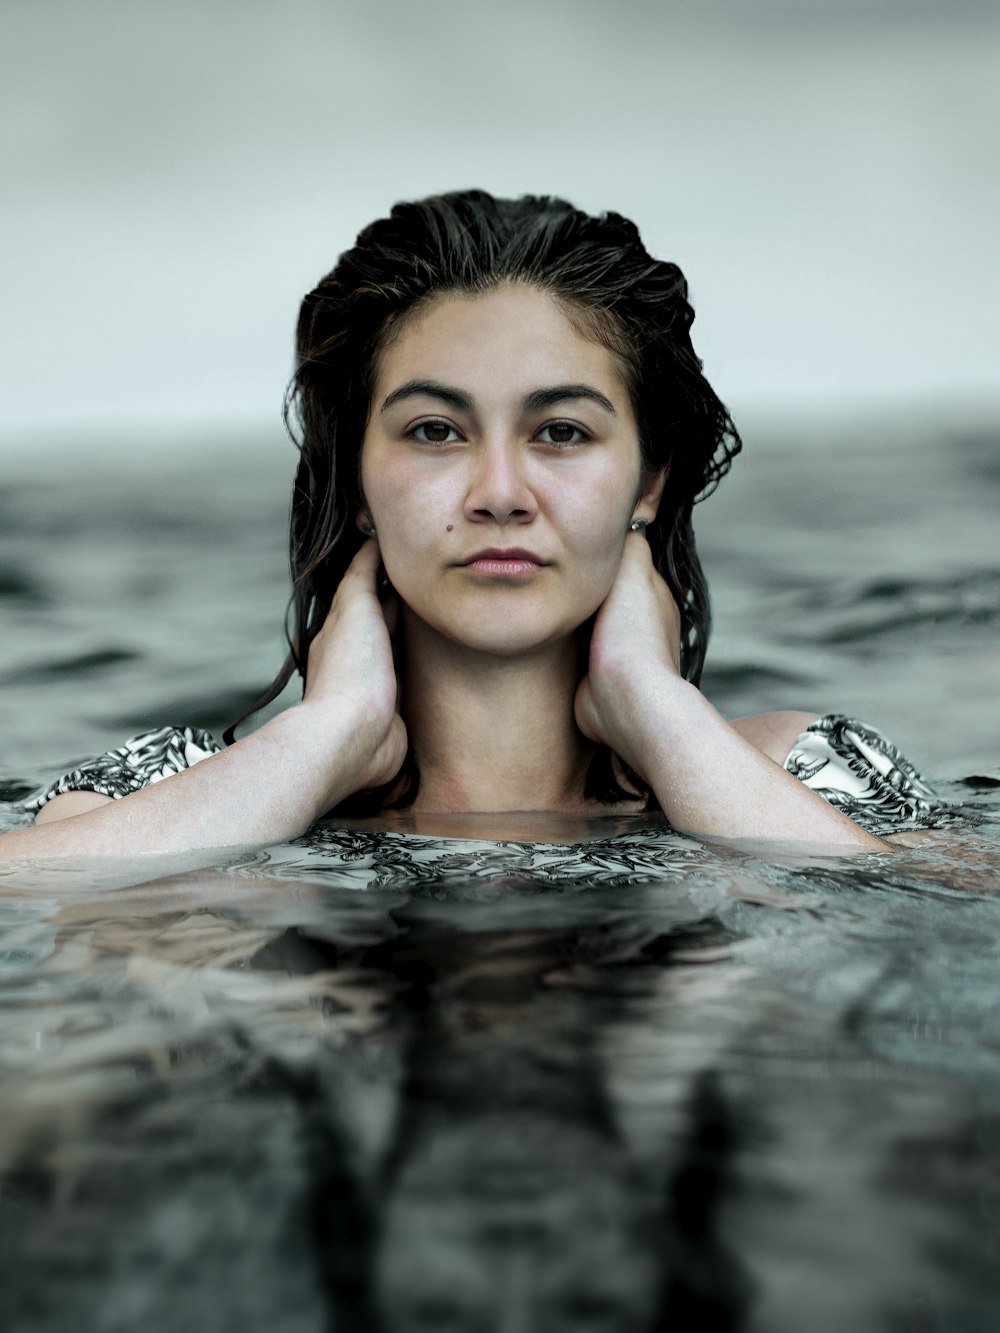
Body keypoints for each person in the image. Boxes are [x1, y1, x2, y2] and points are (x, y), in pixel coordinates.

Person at [1, 189, 948, 867]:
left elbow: (943, 935)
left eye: (562, 431)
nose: (500, 492)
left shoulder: (809, 771)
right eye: (435, 431)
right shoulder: (173, 787)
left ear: (651, 482)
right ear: (357, 483)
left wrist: (661, 717)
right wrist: (326, 737)